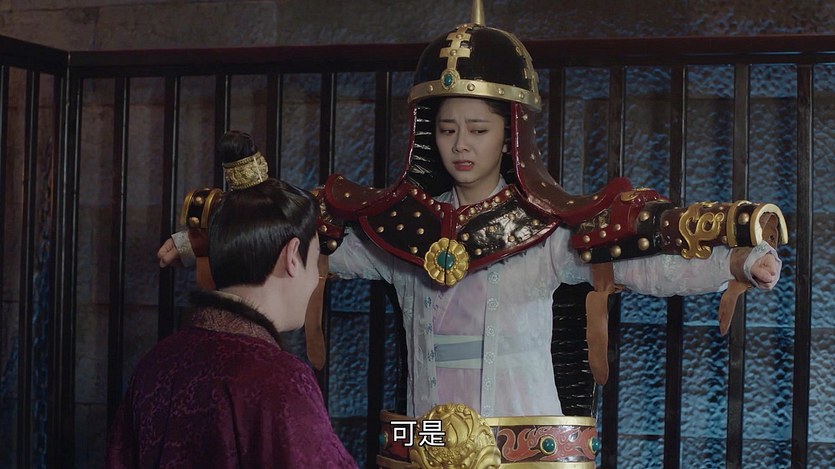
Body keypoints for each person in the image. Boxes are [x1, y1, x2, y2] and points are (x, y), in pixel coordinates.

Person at [157, 2, 786, 467]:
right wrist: (204, 241)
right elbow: (297, 245)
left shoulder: (544, 227)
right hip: (424, 440)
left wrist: (734, 263)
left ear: (511, 134)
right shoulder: (400, 228)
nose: (461, 144)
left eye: (479, 129)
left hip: (525, 445)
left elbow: (639, 263)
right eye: (447, 128)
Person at [109, 132, 357, 468]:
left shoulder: (157, 363)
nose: (316, 279)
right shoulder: (279, 381)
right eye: (316, 262)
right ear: (292, 256)